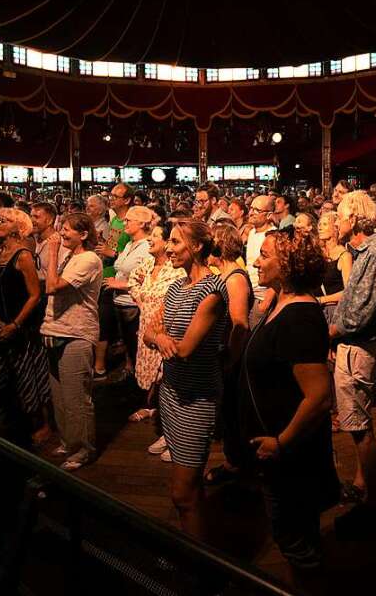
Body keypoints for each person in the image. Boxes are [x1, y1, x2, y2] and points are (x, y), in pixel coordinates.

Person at [240, 228, 337, 577]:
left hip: (289, 450)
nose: (256, 261)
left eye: (265, 255)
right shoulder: (280, 301)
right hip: (276, 443)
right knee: (292, 525)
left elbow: (319, 396)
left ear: (290, 263)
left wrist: (281, 442)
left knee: (291, 532)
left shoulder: (300, 317)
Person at [143, 219, 229, 539]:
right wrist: (160, 338)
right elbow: (149, 331)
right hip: (171, 391)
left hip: (197, 397)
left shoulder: (213, 290)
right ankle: (201, 547)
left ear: (196, 247)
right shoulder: (177, 286)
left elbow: (186, 348)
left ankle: (199, 567)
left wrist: (163, 340)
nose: (168, 248)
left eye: (176, 243)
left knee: (181, 493)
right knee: (190, 490)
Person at [329, 191, 376, 503]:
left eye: (340, 217)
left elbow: (360, 311)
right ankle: (365, 484)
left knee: (357, 423)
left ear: (354, 219)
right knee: (355, 422)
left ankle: (375, 496)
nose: (335, 223)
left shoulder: (375, 252)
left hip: (360, 347)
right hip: (353, 345)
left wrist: (329, 332)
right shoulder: (363, 251)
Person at [40, 212, 103, 471]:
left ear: (84, 234)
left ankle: (83, 449)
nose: (61, 234)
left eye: (66, 230)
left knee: (77, 398)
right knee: (60, 397)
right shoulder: (72, 256)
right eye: (60, 228)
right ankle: (68, 441)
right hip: (55, 330)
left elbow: (52, 286)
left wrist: (53, 251)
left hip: (76, 334)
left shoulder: (89, 259)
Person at [0, 207, 51, 442]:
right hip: (3, 321)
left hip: (21, 326)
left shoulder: (23, 255)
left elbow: (35, 295)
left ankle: (43, 423)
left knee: (31, 374)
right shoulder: (1, 250)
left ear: (17, 227)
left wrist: (15, 324)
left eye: (2, 221)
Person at [203, 223, 252, 486]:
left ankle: (236, 466)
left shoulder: (234, 278)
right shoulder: (226, 274)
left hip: (233, 360)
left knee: (234, 413)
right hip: (226, 357)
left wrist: (230, 361)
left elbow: (240, 324)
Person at [128, 220, 186, 426]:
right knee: (148, 371)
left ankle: (167, 421)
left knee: (163, 374)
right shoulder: (147, 264)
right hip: (145, 326)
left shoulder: (177, 269)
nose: (150, 239)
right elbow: (132, 281)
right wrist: (141, 299)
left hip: (165, 329)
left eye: (155, 236)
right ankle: (151, 407)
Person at [103, 205, 155, 379]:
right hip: (121, 303)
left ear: (141, 223)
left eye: (128, 220)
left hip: (133, 305)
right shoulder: (130, 244)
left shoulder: (147, 247)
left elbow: (148, 280)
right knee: (128, 345)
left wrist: (119, 284)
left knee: (136, 347)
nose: (124, 223)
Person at [245, 195, 275, 326]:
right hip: (250, 295)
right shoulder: (252, 232)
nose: (251, 213)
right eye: (251, 208)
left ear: (269, 215)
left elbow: (278, 271)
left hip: (262, 298)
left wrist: (266, 302)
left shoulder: (273, 237)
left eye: (257, 210)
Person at [316, 211, 351, 324]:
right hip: (316, 310)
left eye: (325, 224)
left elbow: (348, 291)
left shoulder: (344, 256)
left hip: (332, 312)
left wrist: (322, 300)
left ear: (336, 228)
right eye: (319, 224)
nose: (320, 228)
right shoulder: (317, 253)